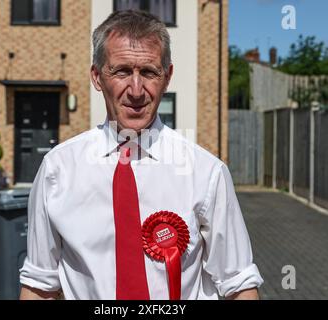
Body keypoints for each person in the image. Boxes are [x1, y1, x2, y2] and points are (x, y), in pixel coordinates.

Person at [19, 10, 263, 300]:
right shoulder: (57, 169)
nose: (136, 90)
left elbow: (239, 284)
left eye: (148, 72)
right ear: (97, 77)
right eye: (121, 71)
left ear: (167, 77)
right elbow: (39, 284)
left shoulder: (206, 172)